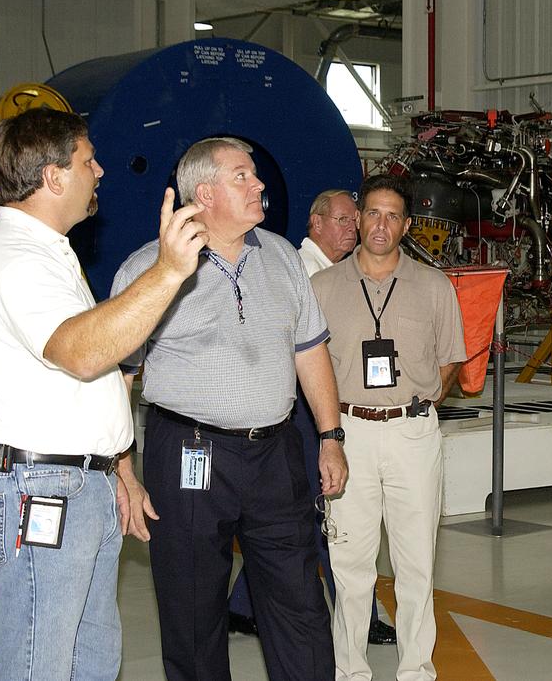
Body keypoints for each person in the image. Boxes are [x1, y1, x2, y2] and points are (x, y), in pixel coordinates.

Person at [0, 108, 208, 681]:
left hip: (76, 484)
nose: (99, 171)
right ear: (52, 177)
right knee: (39, 666)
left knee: (90, 662)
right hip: (39, 489)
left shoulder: (49, 253)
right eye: (87, 160)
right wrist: (168, 272)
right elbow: (84, 353)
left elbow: (78, 384)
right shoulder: (15, 259)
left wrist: (117, 468)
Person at [111, 137, 348, 681]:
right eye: (242, 176)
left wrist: (331, 436)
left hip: (276, 453)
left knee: (300, 605)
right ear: (205, 193)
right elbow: (117, 379)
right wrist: (123, 469)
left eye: (255, 175)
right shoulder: (148, 270)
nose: (259, 184)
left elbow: (310, 352)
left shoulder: (284, 258)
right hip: (190, 453)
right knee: (192, 609)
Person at [310, 174, 466, 681]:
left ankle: (416, 670)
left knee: (416, 563)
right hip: (347, 434)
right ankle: (350, 671)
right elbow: (307, 364)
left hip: (412, 434)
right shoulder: (322, 287)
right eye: (372, 213)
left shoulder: (433, 285)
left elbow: (449, 363)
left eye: (392, 216)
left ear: (407, 225)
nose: (381, 225)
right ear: (357, 220)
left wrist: (414, 405)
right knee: (349, 566)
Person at [229, 188, 398, 646]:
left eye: (353, 220)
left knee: (302, 514)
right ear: (315, 224)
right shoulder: (301, 273)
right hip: (306, 413)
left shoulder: (342, 273)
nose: (351, 228)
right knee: (329, 512)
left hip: (322, 411)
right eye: (342, 220)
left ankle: (243, 605)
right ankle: (359, 617)